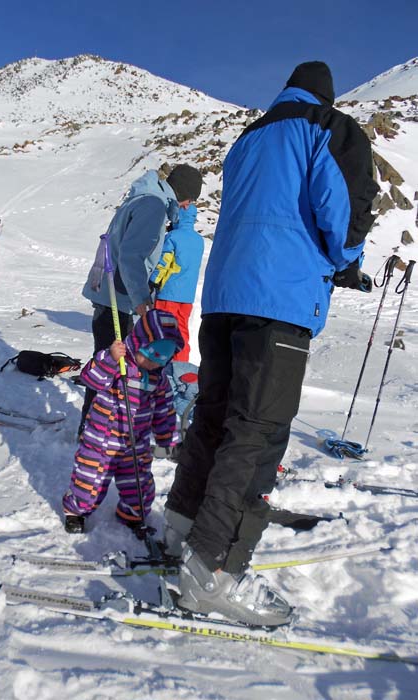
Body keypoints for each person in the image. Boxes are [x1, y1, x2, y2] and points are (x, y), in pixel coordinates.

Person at [164, 61, 379, 627]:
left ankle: (182, 527)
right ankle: (213, 571)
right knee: (256, 434)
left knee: (213, 415)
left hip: (224, 296)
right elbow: (344, 210)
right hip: (277, 302)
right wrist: (348, 263)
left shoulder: (249, 136)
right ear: (326, 94)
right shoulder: (326, 126)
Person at [78, 164, 203, 435]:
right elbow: (131, 256)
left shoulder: (144, 198)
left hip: (112, 293)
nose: (187, 207)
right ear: (185, 196)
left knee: (108, 360)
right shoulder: (154, 206)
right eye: (190, 201)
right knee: (116, 364)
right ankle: (99, 431)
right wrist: (142, 301)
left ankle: (94, 426)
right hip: (119, 297)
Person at [63, 309, 184, 533]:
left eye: (159, 361)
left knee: (139, 485)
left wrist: (169, 440)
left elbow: (164, 412)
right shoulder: (119, 365)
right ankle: (76, 512)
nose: (151, 364)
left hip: (135, 444)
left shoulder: (159, 381)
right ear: (138, 343)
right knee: (89, 482)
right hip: (101, 440)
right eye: (147, 357)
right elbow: (90, 378)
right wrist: (109, 359)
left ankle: (132, 514)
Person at [151, 203, 204, 362]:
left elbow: (164, 262)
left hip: (169, 292)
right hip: (187, 296)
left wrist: (153, 281)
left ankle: (160, 365)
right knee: (181, 331)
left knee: (163, 330)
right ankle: (180, 365)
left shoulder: (173, 237)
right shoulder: (199, 240)